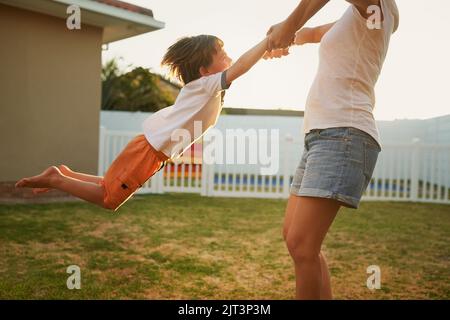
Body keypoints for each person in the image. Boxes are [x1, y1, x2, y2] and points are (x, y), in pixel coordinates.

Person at [15, 34, 269, 211]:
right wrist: (268, 41)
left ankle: (64, 174)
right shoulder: (206, 85)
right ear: (205, 70)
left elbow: (241, 64)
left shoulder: (206, 86)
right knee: (108, 198)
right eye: (223, 54)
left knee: (107, 184)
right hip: (149, 152)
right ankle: (56, 180)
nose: (230, 57)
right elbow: (242, 66)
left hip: (148, 148)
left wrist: (269, 49)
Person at [265, 0, 399, 299]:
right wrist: (284, 35)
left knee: (303, 245)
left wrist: (289, 25)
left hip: (345, 133)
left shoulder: (377, 8)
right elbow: (312, 33)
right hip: (321, 135)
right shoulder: (351, 18)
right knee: (295, 240)